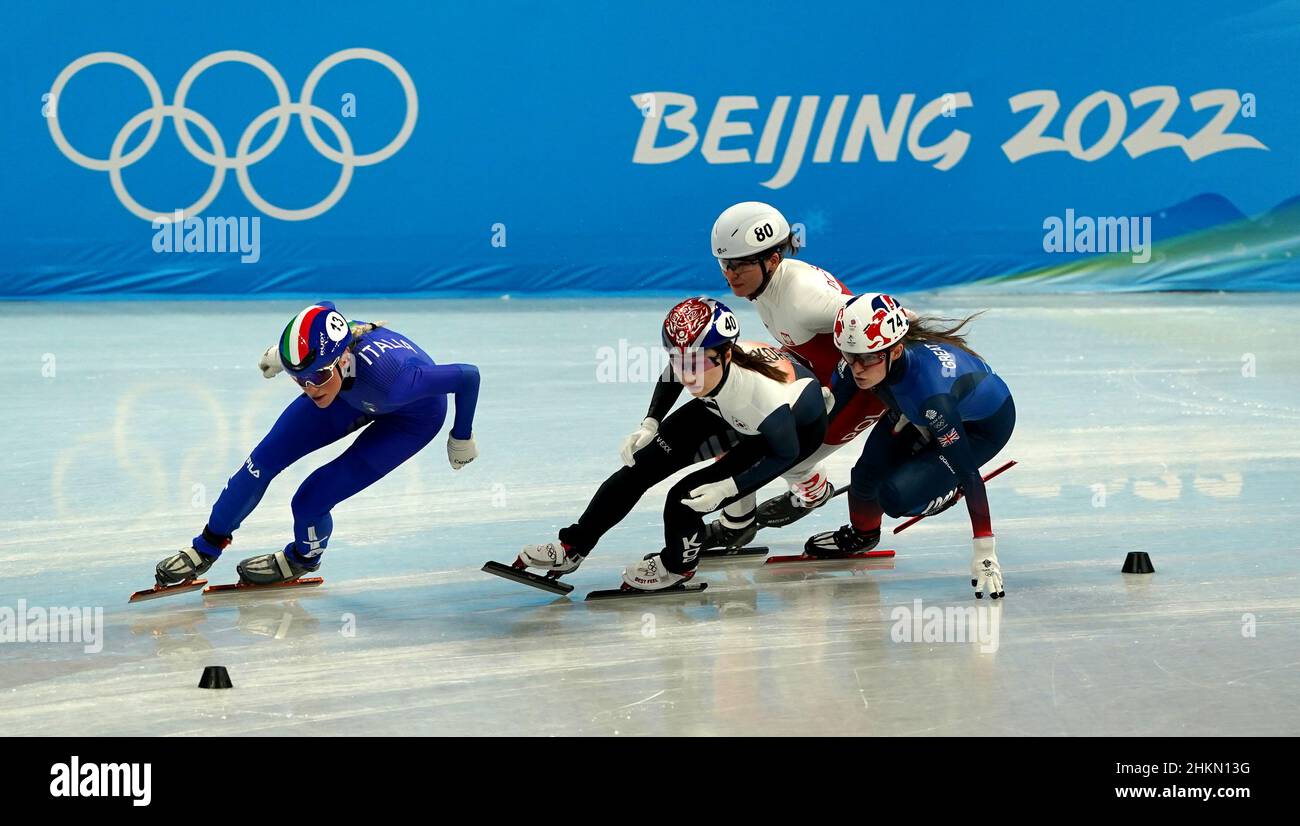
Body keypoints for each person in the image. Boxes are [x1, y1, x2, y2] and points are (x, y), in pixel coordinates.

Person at [152, 301, 481, 587]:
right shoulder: (324, 370)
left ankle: (302, 559)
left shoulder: (397, 382)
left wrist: (461, 435)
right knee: (259, 464)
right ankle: (205, 547)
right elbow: (323, 311)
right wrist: (287, 358)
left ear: (344, 358)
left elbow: (467, 375)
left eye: (316, 377)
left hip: (411, 418)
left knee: (311, 499)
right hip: (348, 394)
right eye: (300, 380)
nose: (310, 388)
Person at [517, 297, 828, 592]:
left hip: (787, 435)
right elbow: (674, 373)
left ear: (727, 355)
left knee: (684, 499)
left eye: (695, 363)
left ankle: (679, 566)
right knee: (638, 469)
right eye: (679, 361)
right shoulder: (704, 361)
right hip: (723, 408)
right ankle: (574, 546)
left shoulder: (761, 400)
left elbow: (784, 453)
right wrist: (650, 423)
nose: (686, 373)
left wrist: (728, 488)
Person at [689, 201, 894, 551]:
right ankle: (737, 524)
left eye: (739, 265)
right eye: (725, 264)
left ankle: (810, 487)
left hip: (860, 389)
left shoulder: (803, 299)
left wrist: (936, 381)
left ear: (772, 260)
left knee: (776, 454)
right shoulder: (767, 283)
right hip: (815, 371)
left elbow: (895, 319)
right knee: (737, 419)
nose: (729, 274)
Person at [806, 293, 1015, 599]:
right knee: (864, 477)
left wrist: (985, 551)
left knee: (895, 498)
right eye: (849, 355)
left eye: (866, 358)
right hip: (915, 409)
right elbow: (828, 412)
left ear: (896, 351)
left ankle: (943, 490)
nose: (857, 368)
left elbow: (970, 473)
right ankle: (862, 535)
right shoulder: (868, 353)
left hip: (981, 427)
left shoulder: (932, 397)